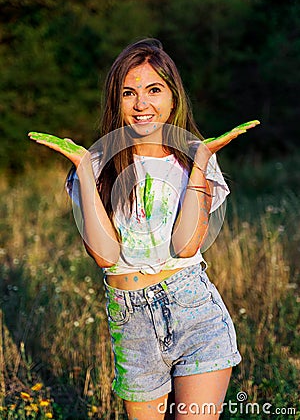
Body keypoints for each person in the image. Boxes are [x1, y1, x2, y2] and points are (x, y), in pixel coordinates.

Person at [29, 38, 259, 419]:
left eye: (154, 90)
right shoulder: (96, 164)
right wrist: (85, 170)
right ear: (115, 101)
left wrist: (201, 163)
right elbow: (105, 256)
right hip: (131, 322)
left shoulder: (194, 159)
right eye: (128, 93)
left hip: (195, 312)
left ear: (173, 97)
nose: (142, 104)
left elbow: (186, 247)